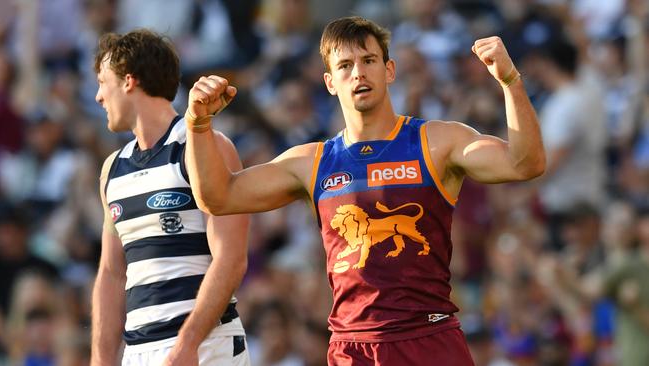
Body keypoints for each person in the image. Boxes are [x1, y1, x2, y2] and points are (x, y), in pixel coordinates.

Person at [184, 16, 545, 365]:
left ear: (389, 70)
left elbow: (525, 163)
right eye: (345, 65)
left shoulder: (436, 141)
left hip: (430, 339)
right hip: (353, 348)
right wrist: (198, 125)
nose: (358, 72)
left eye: (369, 60)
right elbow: (218, 197)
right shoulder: (313, 161)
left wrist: (510, 81)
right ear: (330, 82)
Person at [90, 29, 250, 366]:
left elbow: (231, 258)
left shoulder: (207, 145)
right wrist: (102, 360)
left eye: (102, 82)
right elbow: (111, 273)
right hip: (137, 351)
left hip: (204, 344)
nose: (98, 97)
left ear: (129, 80)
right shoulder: (112, 169)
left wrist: (187, 344)